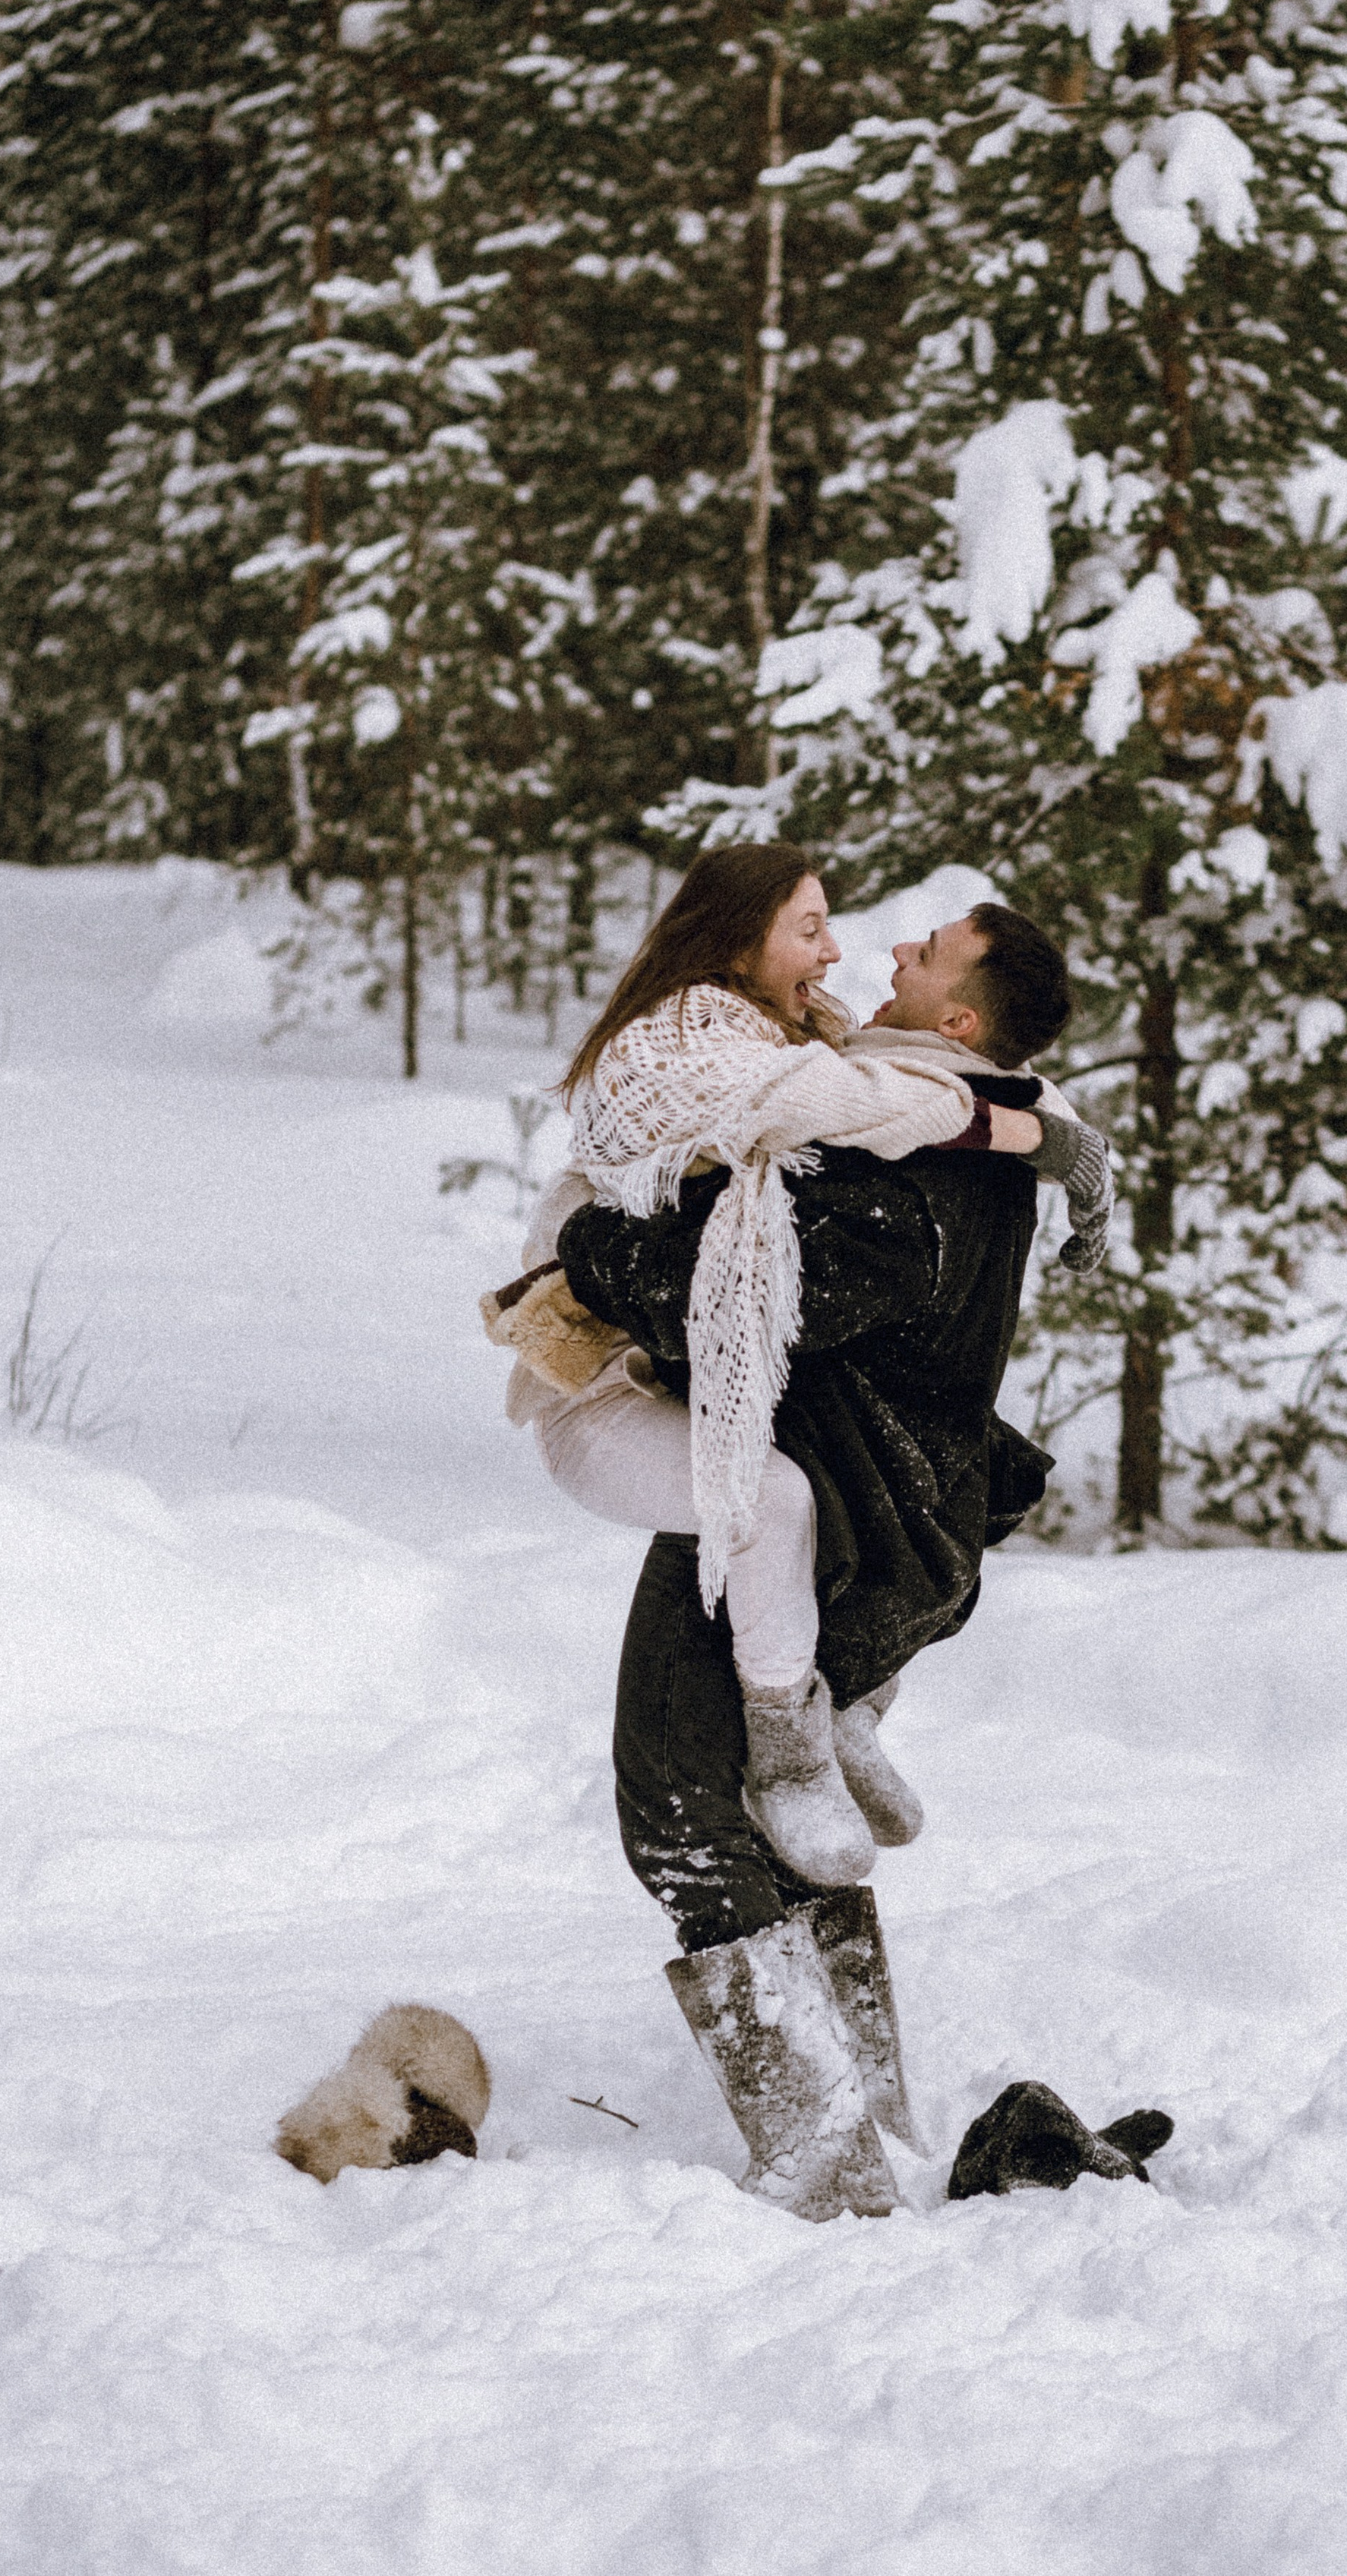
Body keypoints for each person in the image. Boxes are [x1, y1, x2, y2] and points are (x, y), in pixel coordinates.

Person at [552, 897, 1107, 2220]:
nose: (892, 953)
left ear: (960, 1021)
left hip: (821, 1517)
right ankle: (869, 2123)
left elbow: (741, 1300)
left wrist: (588, 1247)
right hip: (881, 1530)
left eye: (928, 954)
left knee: (685, 1811)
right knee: (770, 1824)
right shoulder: (955, 1120)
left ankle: (828, 2161)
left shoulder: (915, 1180)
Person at [487, 847, 1109, 1892]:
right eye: (810, 927)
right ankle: (791, 1748)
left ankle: (839, 1714)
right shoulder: (701, 1039)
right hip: (601, 1367)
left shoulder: (811, 1034)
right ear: (739, 942)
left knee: (912, 1487)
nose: (860, 948)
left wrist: (1041, 1129)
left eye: (927, 949)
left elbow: (909, 1087)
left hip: (678, 1374)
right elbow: (890, 1102)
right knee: (775, 1501)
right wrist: (1041, 1136)